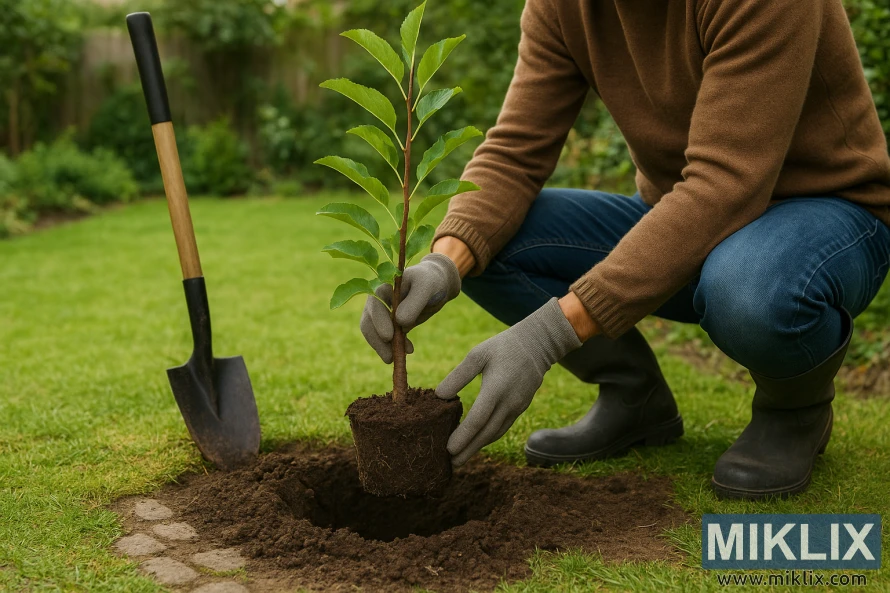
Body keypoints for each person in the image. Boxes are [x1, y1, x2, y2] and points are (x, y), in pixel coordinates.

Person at [360, 0, 890, 499]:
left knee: (749, 287)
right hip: (688, 211)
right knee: (490, 235)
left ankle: (795, 412)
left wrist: (549, 334)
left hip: (828, 214)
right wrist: (442, 263)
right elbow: (515, 151)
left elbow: (726, 182)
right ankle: (633, 397)